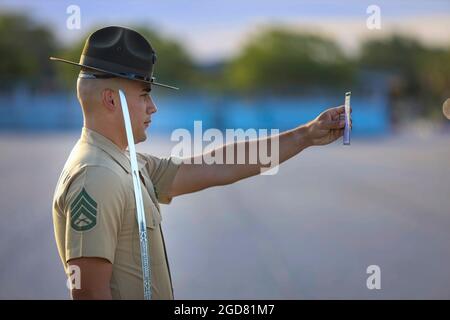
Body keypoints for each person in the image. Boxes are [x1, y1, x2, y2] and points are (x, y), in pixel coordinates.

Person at [51, 26, 352, 300]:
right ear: (111, 100)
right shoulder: (97, 175)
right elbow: (89, 293)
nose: (152, 107)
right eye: (144, 95)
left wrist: (307, 134)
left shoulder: (121, 163)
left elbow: (218, 165)